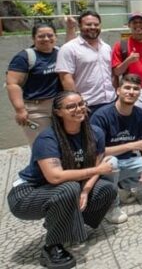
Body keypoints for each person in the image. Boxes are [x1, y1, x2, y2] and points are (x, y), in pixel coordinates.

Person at [7, 91, 116, 269]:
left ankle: (71, 227)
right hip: (27, 193)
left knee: (107, 189)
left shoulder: (95, 133)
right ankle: (51, 247)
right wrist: (97, 171)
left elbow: (96, 166)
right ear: (58, 112)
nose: (78, 108)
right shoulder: (48, 138)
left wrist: (86, 191)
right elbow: (55, 176)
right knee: (69, 188)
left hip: (62, 188)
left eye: (81, 103)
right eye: (71, 106)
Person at [90, 74, 142, 224]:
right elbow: (96, 152)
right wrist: (131, 145)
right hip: (103, 164)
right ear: (118, 90)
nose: (131, 92)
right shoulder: (101, 115)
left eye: (136, 89)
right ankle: (111, 206)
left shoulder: (140, 114)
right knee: (111, 162)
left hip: (129, 161)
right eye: (127, 88)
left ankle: (123, 187)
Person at [7, 21, 76, 145]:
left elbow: (71, 45)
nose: (46, 39)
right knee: (42, 145)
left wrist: (70, 27)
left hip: (59, 106)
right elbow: (13, 84)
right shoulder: (24, 57)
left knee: (64, 143)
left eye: (50, 35)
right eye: (41, 36)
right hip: (37, 110)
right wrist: (20, 110)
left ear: (55, 36)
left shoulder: (59, 52)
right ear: (33, 38)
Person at [56, 11, 116, 114]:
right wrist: (78, 104)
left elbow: (111, 74)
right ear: (79, 26)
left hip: (111, 102)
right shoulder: (69, 48)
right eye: (88, 24)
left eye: (96, 24)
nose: (93, 27)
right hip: (88, 105)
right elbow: (66, 78)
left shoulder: (106, 47)